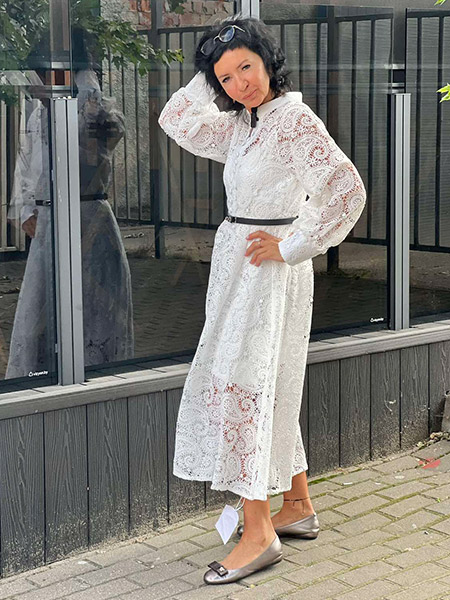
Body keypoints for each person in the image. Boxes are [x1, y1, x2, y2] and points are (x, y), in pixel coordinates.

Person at [158, 16, 366, 584]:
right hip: (239, 266)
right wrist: (211, 70)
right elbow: (176, 119)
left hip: (268, 271)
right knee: (265, 382)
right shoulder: (242, 125)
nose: (239, 84)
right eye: (226, 78)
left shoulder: (294, 121)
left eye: (246, 67)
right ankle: (297, 504)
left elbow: (346, 190)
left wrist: (292, 244)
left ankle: (258, 534)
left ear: (269, 61)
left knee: (244, 385)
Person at [6, 31, 134, 378]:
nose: (36, 85)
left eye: (44, 75)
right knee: (40, 311)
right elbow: (25, 164)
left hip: (89, 221)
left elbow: (90, 156)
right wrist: (25, 210)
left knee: (94, 312)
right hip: (49, 226)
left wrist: (86, 86)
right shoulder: (37, 116)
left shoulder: (101, 113)